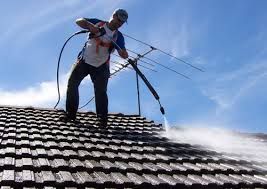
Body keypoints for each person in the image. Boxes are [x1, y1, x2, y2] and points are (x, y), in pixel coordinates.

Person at [63, 9, 129, 126]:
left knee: (101, 92)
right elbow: (79, 21)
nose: (119, 24)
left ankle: (102, 120)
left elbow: (122, 53)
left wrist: (124, 54)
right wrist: (89, 26)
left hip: (101, 66)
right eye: (119, 20)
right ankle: (71, 114)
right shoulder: (98, 23)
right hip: (84, 60)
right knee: (72, 83)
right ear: (113, 16)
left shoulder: (118, 36)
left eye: (122, 23)